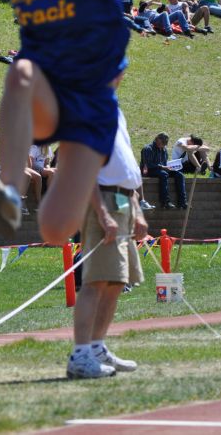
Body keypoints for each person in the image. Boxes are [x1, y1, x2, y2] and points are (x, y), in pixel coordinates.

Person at [0, 0, 176, 243]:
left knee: (55, 229)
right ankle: (10, 189)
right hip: (47, 90)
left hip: (91, 100)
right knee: (20, 72)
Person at [68, 107, 147, 379]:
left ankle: (97, 347)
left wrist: (137, 212)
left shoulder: (116, 112)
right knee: (96, 282)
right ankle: (80, 355)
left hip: (124, 201)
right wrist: (102, 213)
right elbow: (85, 168)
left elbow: (125, 170)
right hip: (103, 201)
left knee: (115, 282)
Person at [142, 132, 187, 209]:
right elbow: (148, 164)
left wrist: (170, 167)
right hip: (149, 170)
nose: (162, 146)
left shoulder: (164, 149)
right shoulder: (147, 149)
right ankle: (165, 202)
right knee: (163, 174)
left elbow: (164, 162)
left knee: (179, 175)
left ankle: (182, 202)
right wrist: (162, 167)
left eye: (164, 144)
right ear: (157, 140)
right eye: (161, 144)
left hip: (162, 169)